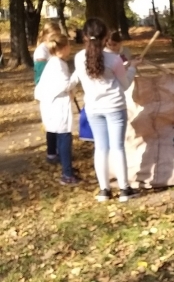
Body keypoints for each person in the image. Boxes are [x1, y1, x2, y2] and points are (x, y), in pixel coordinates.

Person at [74, 18, 141, 202]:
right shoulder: (114, 59)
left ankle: (104, 190)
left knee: (101, 148)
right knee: (117, 148)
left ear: (85, 36)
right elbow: (125, 85)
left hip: (93, 109)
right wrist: (132, 68)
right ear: (106, 37)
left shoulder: (79, 58)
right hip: (115, 107)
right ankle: (125, 189)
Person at [34, 32, 81, 186]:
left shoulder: (56, 62)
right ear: (65, 47)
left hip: (53, 106)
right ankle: (67, 174)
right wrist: (77, 75)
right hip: (56, 107)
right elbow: (65, 85)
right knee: (64, 138)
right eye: (69, 46)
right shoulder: (57, 65)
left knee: (62, 136)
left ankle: (66, 166)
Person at [34, 21, 63, 163]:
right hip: (47, 91)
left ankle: (59, 150)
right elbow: (41, 75)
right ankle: (52, 153)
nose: (55, 37)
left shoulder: (52, 47)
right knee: (51, 122)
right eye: (52, 34)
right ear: (45, 34)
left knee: (58, 121)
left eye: (57, 34)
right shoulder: (41, 51)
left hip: (56, 89)